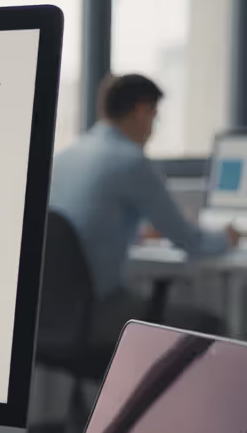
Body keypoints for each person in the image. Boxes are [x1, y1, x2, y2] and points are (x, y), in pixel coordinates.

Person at [50, 73, 239, 342]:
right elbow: (191, 241)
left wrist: (139, 231)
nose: (153, 126)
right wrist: (227, 236)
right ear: (141, 111)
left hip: (53, 312)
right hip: (97, 311)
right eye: (155, 115)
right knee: (210, 324)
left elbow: (80, 230)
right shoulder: (132, 161)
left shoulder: (66, 157)